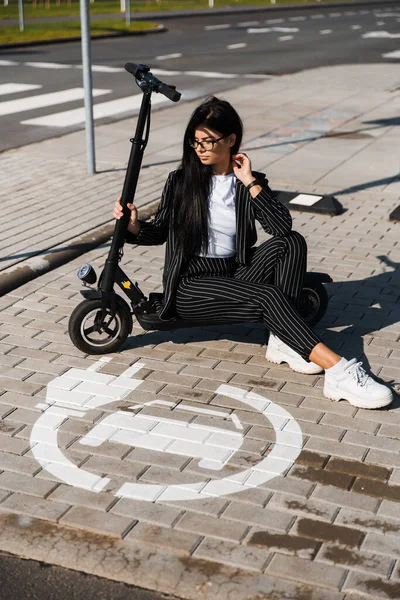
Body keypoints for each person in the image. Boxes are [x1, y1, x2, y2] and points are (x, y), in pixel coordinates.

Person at [114, 96, 392, 411]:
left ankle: (282, 341)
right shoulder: (180, 182)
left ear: (231, 140)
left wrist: (248, 182)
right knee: (268, 297)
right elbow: (161, 231)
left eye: (208, 141)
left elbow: (281, 227)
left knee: (292, 242)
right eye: (195, 142)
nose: (200, 149)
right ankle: (338, 370)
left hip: (234, 271)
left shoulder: (250, 182)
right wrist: (135, 227)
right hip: (192, 284)